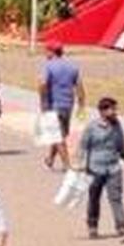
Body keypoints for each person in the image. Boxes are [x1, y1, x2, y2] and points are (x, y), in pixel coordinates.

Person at [77, 96, 124, 239]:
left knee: (116, 197)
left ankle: (121, 226)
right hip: (95, 168)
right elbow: (83, 146)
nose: (115, 112)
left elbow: (121, 144)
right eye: (112, 109)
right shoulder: (91, 127)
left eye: (115, 109)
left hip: (113, 168)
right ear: (102, 111)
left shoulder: (117, 125)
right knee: (94, 198)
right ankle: (92, 226)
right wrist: (80, 164)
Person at [38, 40, 84, 171]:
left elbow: (43, 84)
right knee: (61, 134)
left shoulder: (49, 66)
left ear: (51, 52)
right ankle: (50, 160)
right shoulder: (72, 67)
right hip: (68, 105)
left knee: (57, 135)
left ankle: (67, 165)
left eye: (46, 51)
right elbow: (80, 87)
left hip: (53, 105)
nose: (45, 53)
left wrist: (43, 103)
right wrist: (81, 105)